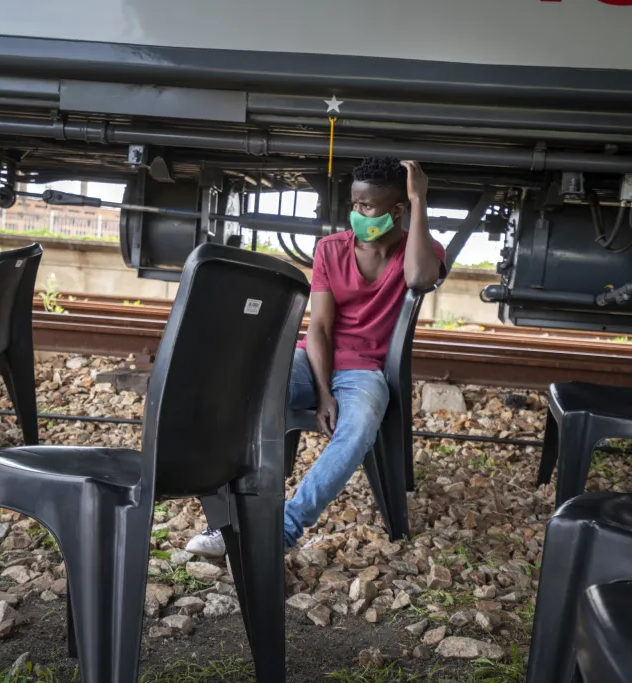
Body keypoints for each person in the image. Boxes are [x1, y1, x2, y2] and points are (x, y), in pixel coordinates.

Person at [187, 156, 446, 557]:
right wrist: (324, 394)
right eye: (354, 204)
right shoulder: (330, 249)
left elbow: (419, 278)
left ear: (397, 210)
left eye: (367, 206)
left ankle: (279, 530)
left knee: (358, 428)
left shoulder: (422, 250)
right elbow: (320, 328)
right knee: (241, 388)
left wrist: (419, 198)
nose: (357, 214)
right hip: (313, 361)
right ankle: (227, 523)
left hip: (365, 373)